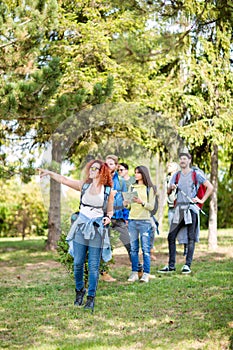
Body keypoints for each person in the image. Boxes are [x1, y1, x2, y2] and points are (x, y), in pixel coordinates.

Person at [38, 160, 114, 312]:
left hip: (97, 229)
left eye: (95, 168)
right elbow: (65, 180)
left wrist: (108, 217)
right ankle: (80, 291)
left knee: (93, 266)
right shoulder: (84, 186)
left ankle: (90, 298)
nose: (91, 170)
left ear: (101, 172)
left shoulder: (108, 191)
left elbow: (110, 211)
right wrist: (50, 173)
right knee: (78, 263)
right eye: (90, 168)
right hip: (81, 226)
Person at [158, 150, 213, 274]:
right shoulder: (175, 175)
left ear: (189, 160)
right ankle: (171, 266)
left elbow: (210, 187)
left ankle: (187, 265)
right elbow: (168, 192)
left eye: (185, 159)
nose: (182, 161)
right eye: (181, 159)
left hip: (191, 209)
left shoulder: (196, 174)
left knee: (191, 238)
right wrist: (170, 188)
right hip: (178, 210)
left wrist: (201, 200)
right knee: (171, 236)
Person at [99, 155, 131, 282]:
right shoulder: (101, 180)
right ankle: (104, 273)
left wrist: (126, 216)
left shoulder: (122, 181)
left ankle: (138, 269)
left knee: (129, 243)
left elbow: (126, 200)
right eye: (106, 164)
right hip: (104, 217)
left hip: (118, 217)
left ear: (116, 166)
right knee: (104, 245)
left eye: (111, 164)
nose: (108, 166)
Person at [126, 165, 157, 283]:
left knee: (145, 249)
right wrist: (126, 203)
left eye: (138, 173)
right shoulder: (131, 187)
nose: (136, 175)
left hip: (144, 221)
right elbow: (129, 206)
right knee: (133, 249)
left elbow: (151, 207)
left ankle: (146, 273)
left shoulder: (150, 188)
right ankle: (134, 272)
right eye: (135, 172)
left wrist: (141, 202)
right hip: (132, 221)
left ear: (143, 174)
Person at [166, 162, 188, 256]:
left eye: (170, 166)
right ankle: (172, 250)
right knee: (172, 230)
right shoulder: (167, 179)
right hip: (171, 207)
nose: (168, 167)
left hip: (179, 206)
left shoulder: (180, 177)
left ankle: (186, 248)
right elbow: (167, 192)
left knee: (183, 227)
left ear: (175, 168)